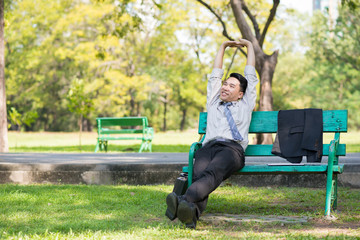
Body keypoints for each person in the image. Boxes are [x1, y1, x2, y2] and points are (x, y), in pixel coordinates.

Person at [165, 39, 259, 229]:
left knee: (212, 172)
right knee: (200, 174)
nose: (225, 87)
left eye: (232, 86)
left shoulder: (246, 104)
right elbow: (215, 75)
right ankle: (190, 214)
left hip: (232, 150)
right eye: (225, 84)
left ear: (241, 93)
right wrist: (223, 47)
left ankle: (183, 199)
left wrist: (249, 45)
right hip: (208, 147)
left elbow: (251, 73)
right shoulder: (214, 102)